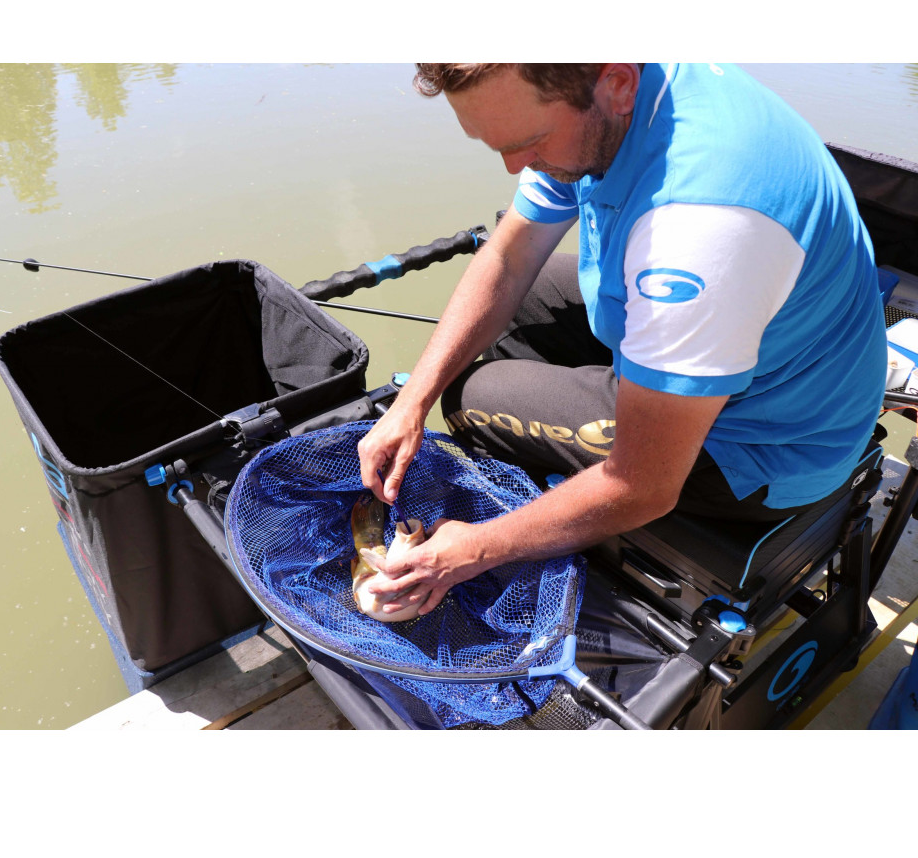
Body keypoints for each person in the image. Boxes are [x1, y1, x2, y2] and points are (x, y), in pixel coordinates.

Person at [357, 62, 886, 617]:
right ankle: (563, 478)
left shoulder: (698, 226)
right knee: (526, 297)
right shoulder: (617, 95)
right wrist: (410, 402)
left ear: (617, 84)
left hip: (768, 448)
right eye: (498, 146)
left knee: (470, 398)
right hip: (759, 354)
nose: (514, 164)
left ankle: (553, 521)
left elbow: (644, 485)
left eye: (529, 142)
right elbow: (510, 257)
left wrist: (476, 550)